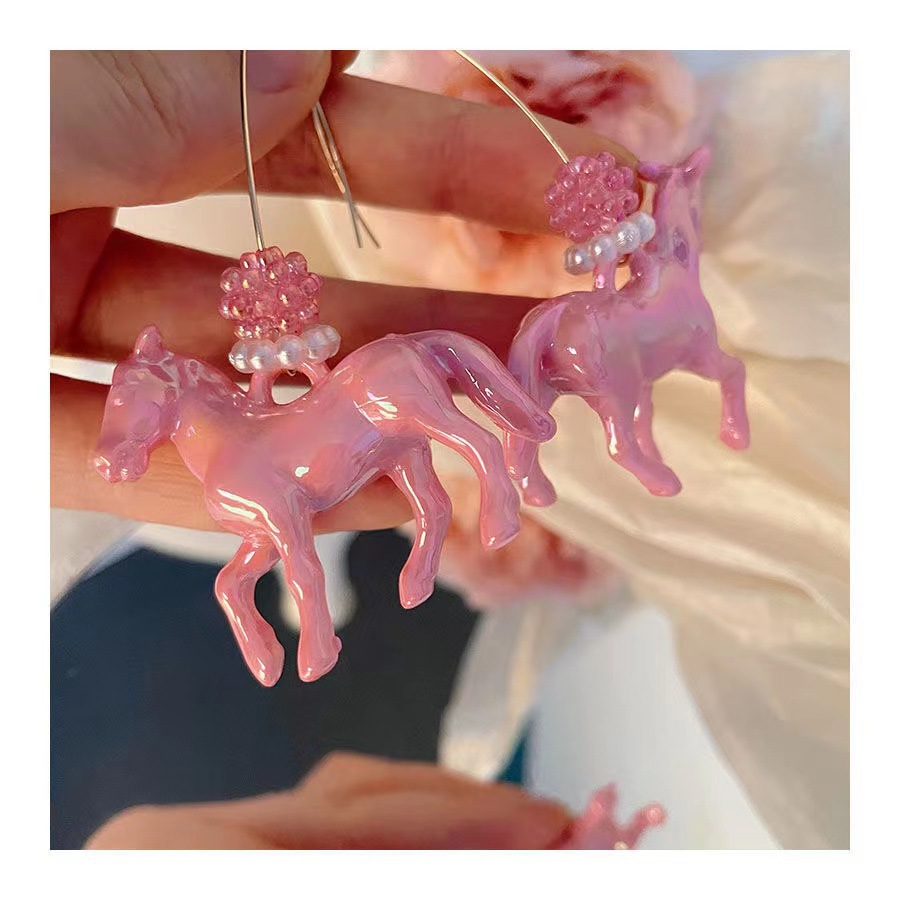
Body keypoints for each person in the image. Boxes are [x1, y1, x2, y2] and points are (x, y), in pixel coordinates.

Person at [51, 50, 630, 850]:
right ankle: (409, 556)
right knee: (347, 520)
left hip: (315, 373)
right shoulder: (229, 451)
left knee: (450, 437)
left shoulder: (258, 437)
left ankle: (395, 566)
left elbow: (289, 526)